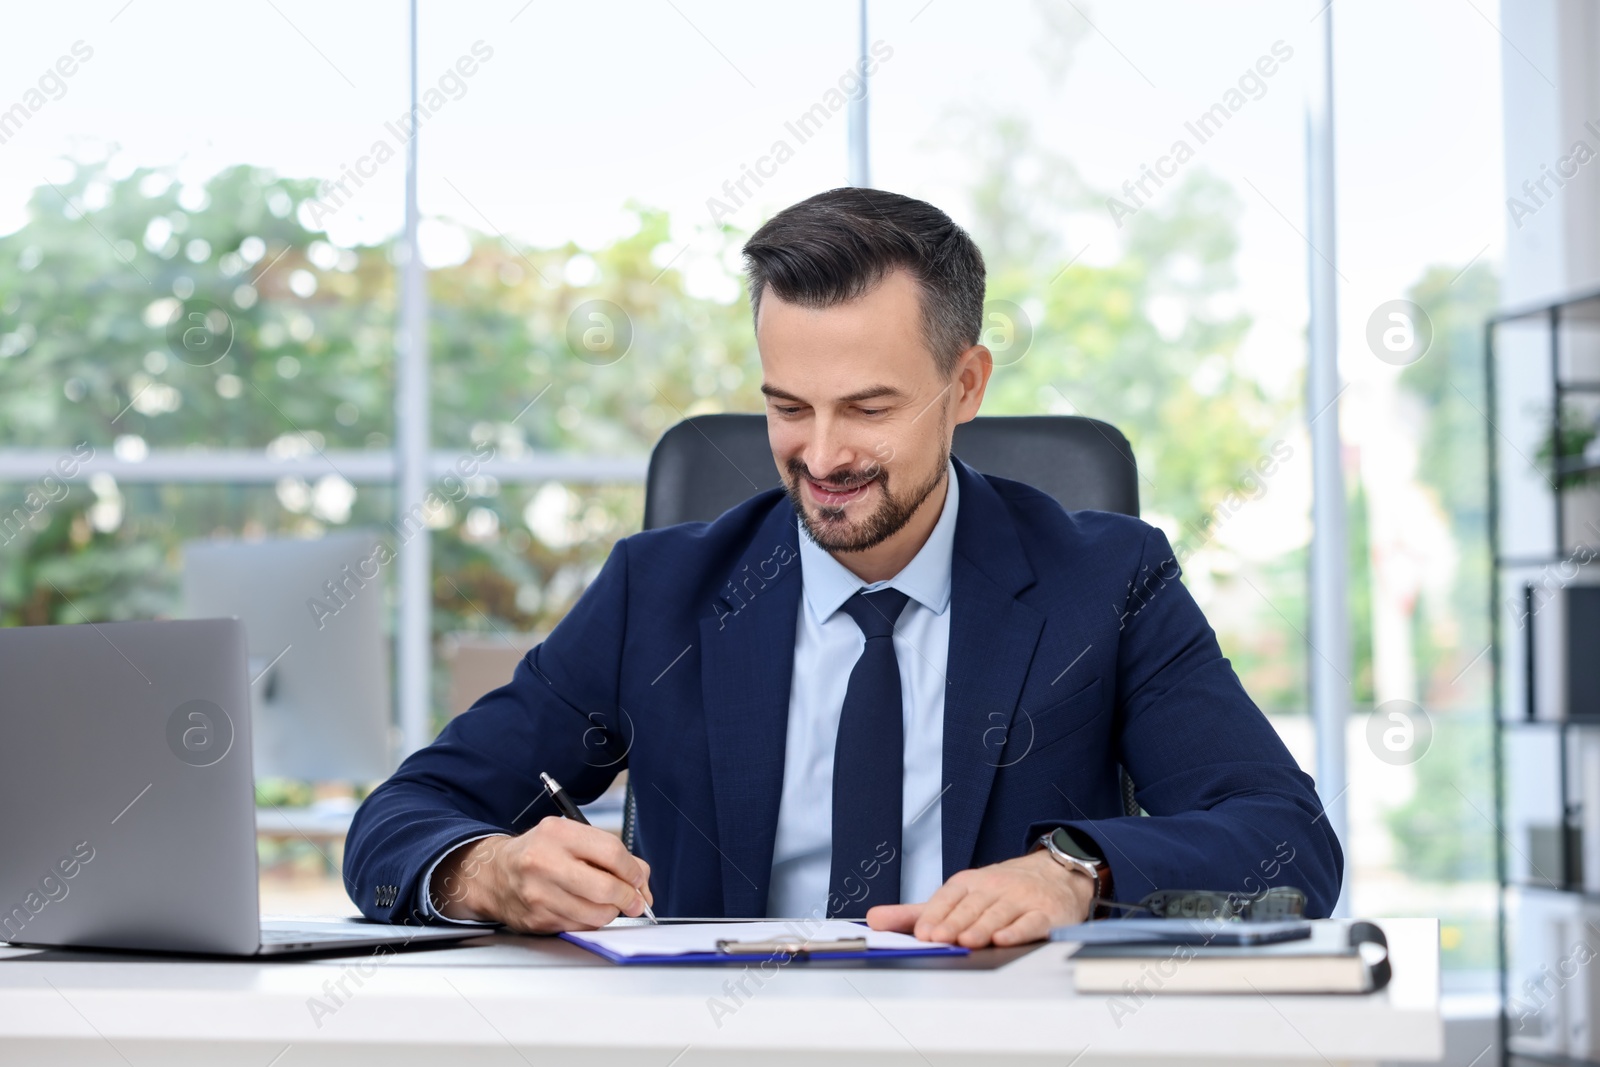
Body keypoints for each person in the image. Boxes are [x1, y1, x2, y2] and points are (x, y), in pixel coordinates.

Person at [344, 187, 1342, 948]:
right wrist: (484, 869)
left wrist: (1074, 867)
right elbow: (398, 818)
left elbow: (1283, 837)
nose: (822, 456)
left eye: (867, 408)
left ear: (965, 385)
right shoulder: (661, 592)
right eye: (788, 406)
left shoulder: (1106, 581)